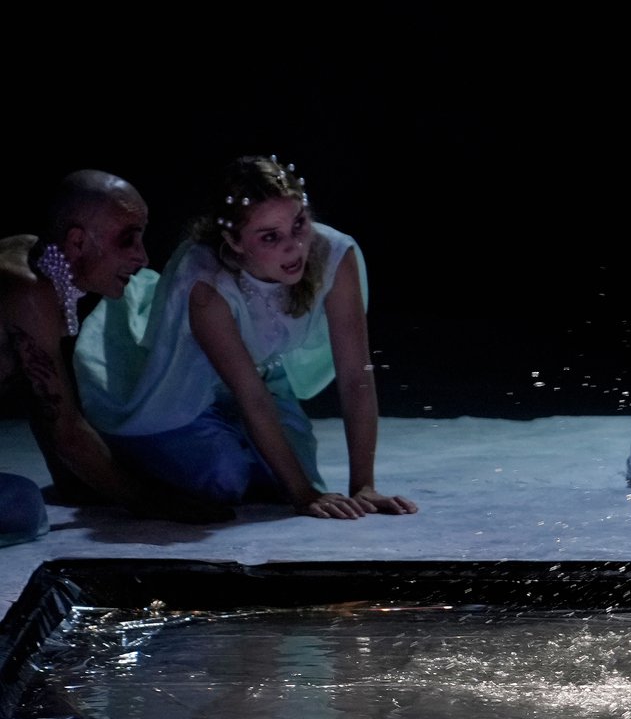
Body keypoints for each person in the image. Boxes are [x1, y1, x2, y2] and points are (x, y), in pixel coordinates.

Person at [74, 154, 417, 520]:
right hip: (187, 384)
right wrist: (303, 496)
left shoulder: (333, 253)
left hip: (263, 378)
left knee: (286, 476)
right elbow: (249, 394)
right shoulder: (206, 281)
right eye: (270, 236)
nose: (295, 246)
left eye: (299, 224)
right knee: (225, 480)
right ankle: (113, 458)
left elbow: (356, 376)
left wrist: (362, 485)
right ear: (234, 241)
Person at [1, 170, 232, 547]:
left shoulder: (36, 256)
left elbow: (40, 397)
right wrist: (150, 500)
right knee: (21, 505)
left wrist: (76, 483)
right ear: (77, 242)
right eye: (127, 239)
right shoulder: (29, 290)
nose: (141, 257)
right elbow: (68, 432)